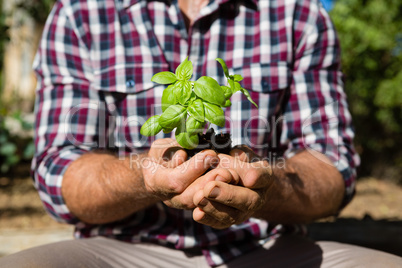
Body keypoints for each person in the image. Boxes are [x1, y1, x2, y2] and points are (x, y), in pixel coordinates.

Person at [1, 0, 401, 267]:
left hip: (266, 250)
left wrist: (264, 182)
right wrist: (145, 174)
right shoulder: (80, 12)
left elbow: (333, 167)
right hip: (122, 250)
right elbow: (60, 170)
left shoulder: (299, 12)